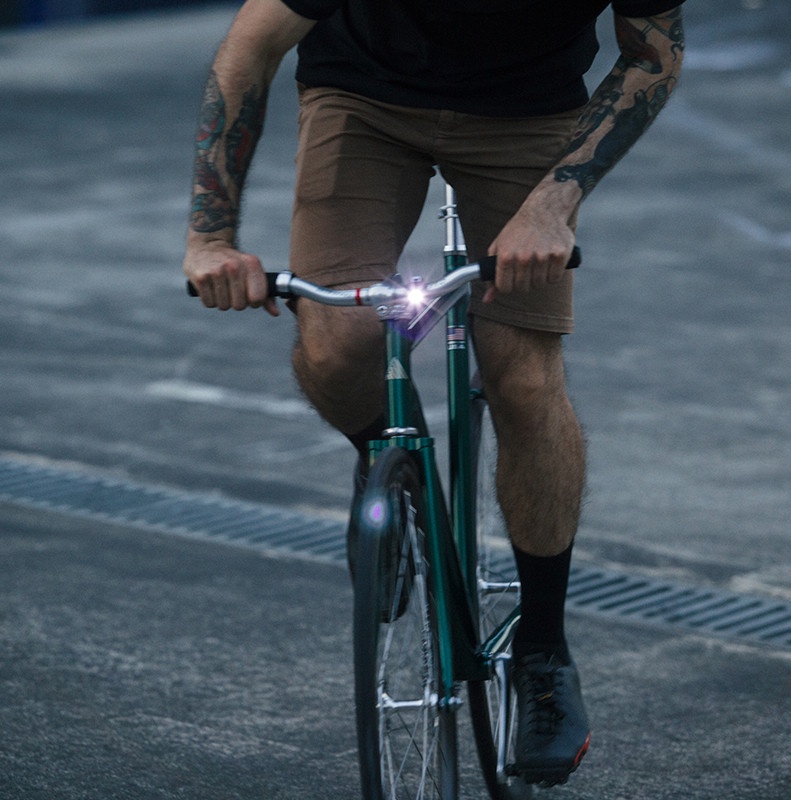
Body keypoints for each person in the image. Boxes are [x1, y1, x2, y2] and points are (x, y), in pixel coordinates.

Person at [182, 0, 685, 786]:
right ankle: (384, 458)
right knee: (339, 344)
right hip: (364, 96)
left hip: (525, 111)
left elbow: (653, 52)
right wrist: (212, 236)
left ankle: (543, 650)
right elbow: (253, 43)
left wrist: (554, 205)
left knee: (523, 378)